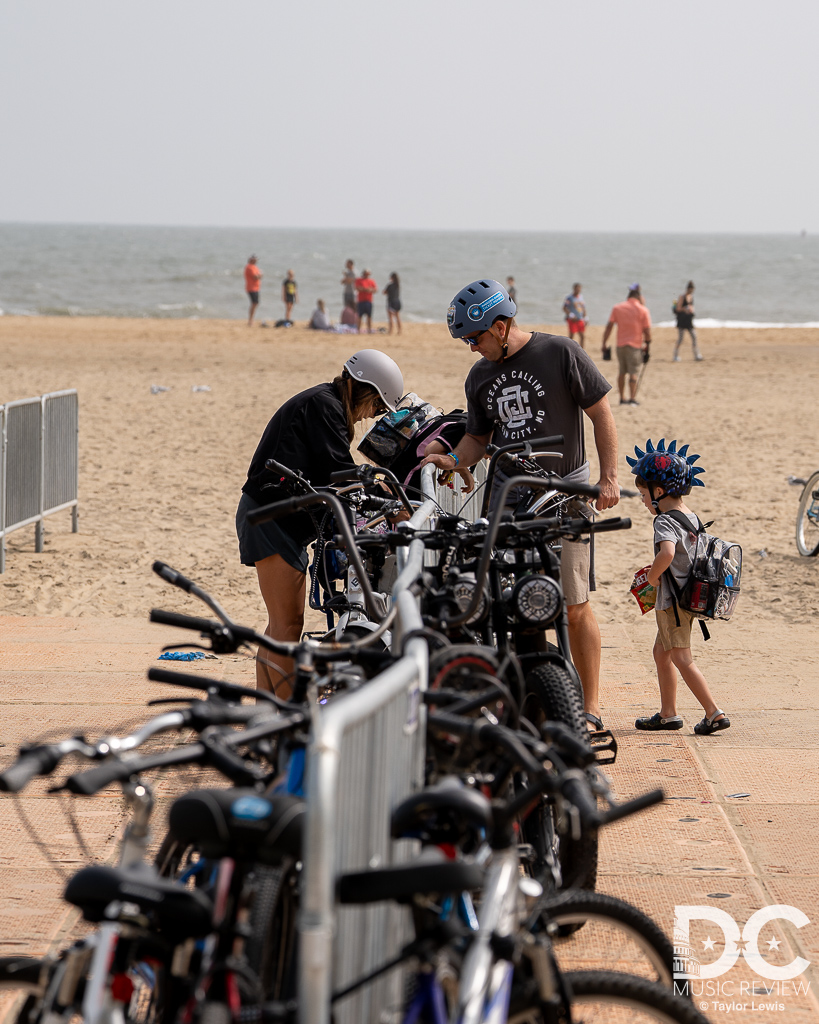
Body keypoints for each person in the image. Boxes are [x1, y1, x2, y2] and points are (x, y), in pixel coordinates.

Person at [421, 278, 620, 731]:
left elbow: (601, 412)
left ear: (503, 324)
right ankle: (516, 694)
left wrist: (609, 478)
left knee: (573, 602)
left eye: (476, 338)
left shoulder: (561, 353)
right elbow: (476, 439)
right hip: (509, 498)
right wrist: (451, 460)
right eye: (465, 341)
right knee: (501, 600)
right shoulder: (479, 376)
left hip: (567, 495)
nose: (471, 348)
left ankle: (588, 708)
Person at [236, 350, 404, 695]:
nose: (373, 416)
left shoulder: (325, 403)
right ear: (369, 393)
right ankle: (289, 715)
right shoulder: (326, 407)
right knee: (287, 625)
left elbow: (330, 473)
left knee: (280, 627)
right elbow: (337, 471)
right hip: (271, 519)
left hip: (274, 517)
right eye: (377, 407)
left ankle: (267, 710)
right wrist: (378, 490)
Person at [627, 438, 730, 735]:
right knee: (662, 652)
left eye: (643, 494)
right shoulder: (691, 516)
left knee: (681, 658)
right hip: (689, 597)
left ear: (658, 492)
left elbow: (668, 553)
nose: (643, 501)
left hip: (672, 602)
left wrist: (653, 578)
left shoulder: (663, 521)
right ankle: (668, 713)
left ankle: (714, 712)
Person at [601, 284, 651, 406]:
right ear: (638, 297)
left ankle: (622, 398)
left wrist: (604, 342)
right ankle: (632, 398)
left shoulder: (618, 308)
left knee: (622, 372)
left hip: (620, 345)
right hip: (635, 345)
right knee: (633, 372)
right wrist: (648, 344)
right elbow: (647, 330)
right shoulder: (642, 310)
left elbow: (609, 326)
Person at [674, 281, 702, 362]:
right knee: (680, 338)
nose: (691, 291)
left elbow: (691, 307)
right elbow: (678, 308)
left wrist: (691, 310)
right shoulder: (682, 297)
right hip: (682, 321)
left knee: (694, 337)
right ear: (688, 289)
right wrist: (684, 309)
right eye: (691, 289)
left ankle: (697, 355)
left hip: (689, 321)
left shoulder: (691, 297)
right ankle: (675, 355)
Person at [563, 283, 587, 348]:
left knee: (582, 335)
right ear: (574, 289)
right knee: (572, 335)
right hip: (572, 319)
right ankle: (569, 349)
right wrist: (571, 315)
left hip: (580, 318)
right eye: (577, 288)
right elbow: (564, 308)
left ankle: (582, 350)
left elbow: (583, 307)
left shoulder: (581, 297)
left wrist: (586, 317)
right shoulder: (569, 298)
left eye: (579, 288)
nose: (578, 290)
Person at [355, 269, 377, 333]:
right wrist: (366, 289)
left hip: (369, 301)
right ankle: (358, 330)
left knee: (369, 316)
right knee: (359, 316)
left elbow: (375, 289)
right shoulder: (359, 280)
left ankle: (369, 329)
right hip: (361, 301)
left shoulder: (371, 281)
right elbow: (357, 288)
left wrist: (369, 290)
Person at [244, 255, 262, 326]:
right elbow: (256, 277)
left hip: (256, 287)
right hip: (251, 288)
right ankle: (250, 320)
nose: (256, 261)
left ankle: (251, 319)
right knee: (254, 303)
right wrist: (259, 275)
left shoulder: (254, 267)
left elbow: (260, 276)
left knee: (255, 303)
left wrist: (259, 275)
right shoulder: (249, 267)